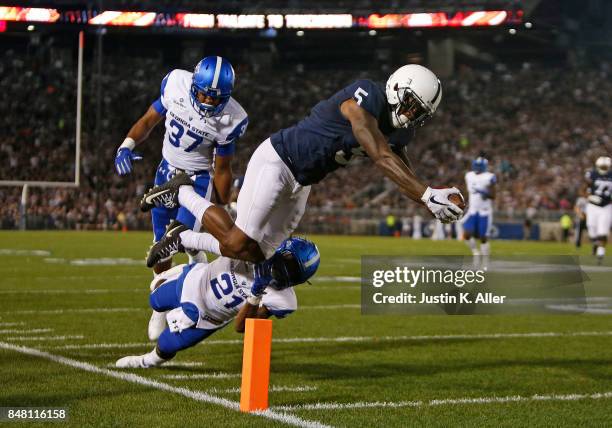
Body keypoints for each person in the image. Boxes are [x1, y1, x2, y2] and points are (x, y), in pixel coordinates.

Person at [141, 64, 465, 266]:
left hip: (304, 180)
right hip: (279, 158)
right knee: (237, 242)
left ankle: (181, 238)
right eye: (409, 104)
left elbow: (399, 166)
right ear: (397, 87)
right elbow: (380, 154)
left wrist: (430, 193)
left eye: (418, 112)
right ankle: (181, 191)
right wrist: (426, 194)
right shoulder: (367, 94)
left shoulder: (397, 132)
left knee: (259, 255)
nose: (409, 115)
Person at [114, 56, 248, 274]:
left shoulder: (232, 118)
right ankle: (163, 295)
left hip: (196, 180)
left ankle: (194, 290)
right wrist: (126, 145)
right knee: (161, 247)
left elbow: (223, 168)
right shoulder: (176, 83)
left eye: (214, 99)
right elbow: (148, 120)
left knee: (178, 239)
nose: (206, 102)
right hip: (165, 172)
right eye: (203, 94)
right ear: (193, 83)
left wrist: (221, 206)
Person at [115, 237, 320, 368]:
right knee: (155, 298)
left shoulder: (284, 301)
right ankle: (196, 260)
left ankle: (145, 362)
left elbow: (242, 327)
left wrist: (256, 293)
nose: (282, 272)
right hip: (194, 282)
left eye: (292, 271)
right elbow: (222, 238)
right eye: (286, 264)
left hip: (208, 317)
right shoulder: (256, 246)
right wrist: (189, 240)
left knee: (166, 346)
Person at [462, 157, 496, 256]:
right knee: (467, 234)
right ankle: (475, 252)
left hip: (484, 211)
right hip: (472, 210)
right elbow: (469, 191)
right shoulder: (468, 175)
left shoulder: (489, 177)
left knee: (483, 237)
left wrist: (484, 192)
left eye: (479, 166)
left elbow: (493, 196)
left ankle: (485, 255)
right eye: (476, 165)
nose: (478, 167)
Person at [584, 156, 612, 264]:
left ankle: (601, 252)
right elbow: (584, 188)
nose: (604, 168)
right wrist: (588, 196)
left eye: (605, 166)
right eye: (602, 166)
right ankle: (596, 244)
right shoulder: (592, 174)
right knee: (591, 229)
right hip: (592, 206)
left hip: (606, 206)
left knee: (603, 232)